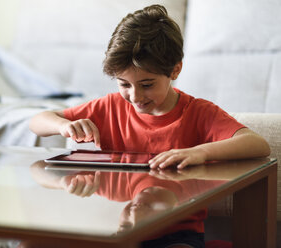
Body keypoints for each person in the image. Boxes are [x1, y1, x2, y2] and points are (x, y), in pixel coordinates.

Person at [29, 4, 270, 247]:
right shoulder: (109, 107)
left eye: (146, 85)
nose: (135, 97)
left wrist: (199, 152)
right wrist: (63, 127)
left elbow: (256, 144)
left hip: (176, 233)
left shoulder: (198, 112)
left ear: (175, 70)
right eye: (124, 84)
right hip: (121, 229)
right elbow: (37, 121)